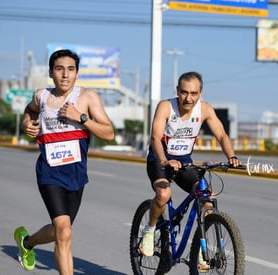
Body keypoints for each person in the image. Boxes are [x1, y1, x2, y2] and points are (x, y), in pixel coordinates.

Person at [13, 49, 114, 274]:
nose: (65, 75)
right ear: (51, 73)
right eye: (59, 69)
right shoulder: (42, 96)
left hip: (76, 174)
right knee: (64, 231)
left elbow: (108, 133)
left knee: (61, 231)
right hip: (49, 172)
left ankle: (27, 243)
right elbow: (29, 111)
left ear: (77, 73)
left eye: (70, 70)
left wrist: (81, 117)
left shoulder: (87, 97)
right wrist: (26, 124)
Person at [139, 71, 241, 260]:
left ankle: (202, 251)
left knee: (206, 197)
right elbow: (155, 136)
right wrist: (164, 160)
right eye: (184, 92)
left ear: (200, 93)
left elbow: (221, 135)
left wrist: (231, 156)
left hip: (184, 161)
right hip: (160, 158)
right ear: (177, 91)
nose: (188, 98)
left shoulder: (205, 109)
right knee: (163, 194)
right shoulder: (166, 106)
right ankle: (150, 229)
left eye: (194, 93)